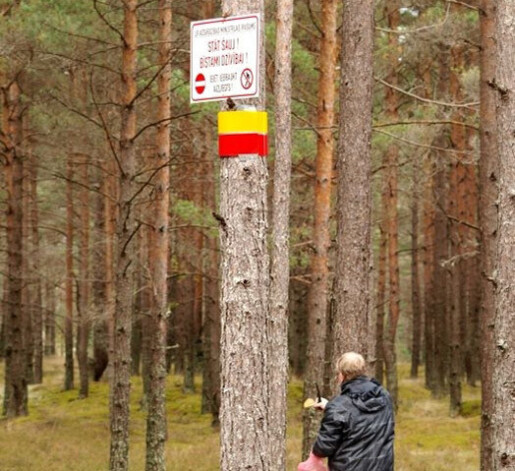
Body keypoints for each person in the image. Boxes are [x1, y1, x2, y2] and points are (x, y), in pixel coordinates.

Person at [300, 352, 395, 471]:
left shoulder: (339, 406)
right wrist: (329, 407)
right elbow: (360, 417)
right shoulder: (383, 396)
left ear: (342, 375)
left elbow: (325, 446)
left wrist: (332, 409)